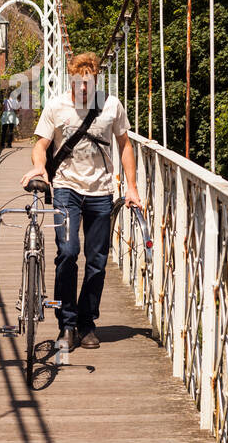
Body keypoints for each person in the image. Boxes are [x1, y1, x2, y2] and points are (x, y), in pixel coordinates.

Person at [21, 52, 142, 351]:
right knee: (67, 253)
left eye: (87, 84)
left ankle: (87, 323)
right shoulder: (57, 105)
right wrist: (39, 166)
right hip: (66, 188)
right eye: (77, 84)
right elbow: (41, 144)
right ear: (70, 80)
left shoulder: (111, 105)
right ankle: (67, 324)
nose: (82, 90)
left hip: (101, 191)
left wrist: (132, 187)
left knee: (97, 262)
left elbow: (125, 145)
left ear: (96, 79)